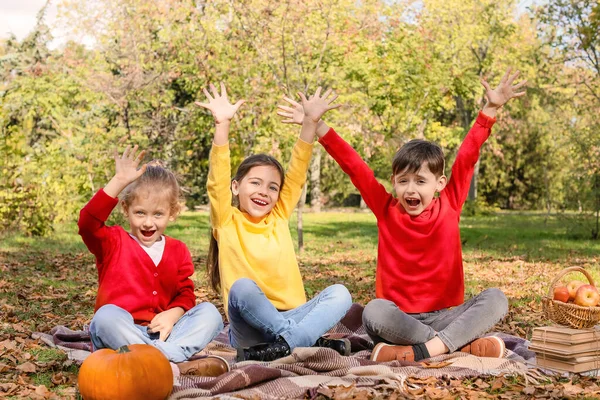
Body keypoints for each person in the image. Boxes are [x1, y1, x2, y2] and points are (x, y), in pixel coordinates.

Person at [277, 68, 526, 362]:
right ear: (394, 182)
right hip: (397, 322)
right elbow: (354, 166)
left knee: (496, 298)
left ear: (439, 184)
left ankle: (422, 351)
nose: (411, 188)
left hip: (444, 317)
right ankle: (454, 346)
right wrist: (318, 127)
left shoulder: (450, 204)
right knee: (373, 311)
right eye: (404, 180)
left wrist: (491, 108)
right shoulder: (386, 210)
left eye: (420, 181)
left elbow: (468, 155)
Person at [197, 83, 353, 362]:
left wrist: (310, 123)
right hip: (248, 328)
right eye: (255, 183)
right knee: (242, 287)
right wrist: (222, 125)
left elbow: (297, 171)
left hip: (291, 314)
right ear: (235, 188)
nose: (263, 192)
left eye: (272, 187)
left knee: (341, 294)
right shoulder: (226, 220)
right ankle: (303, 341)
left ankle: (283, 346)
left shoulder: (278, 216)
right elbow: (216, 179)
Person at [78, 145, 228, 377]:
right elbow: (87, 224)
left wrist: (174, 314)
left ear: (172, 212)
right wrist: (118, 181)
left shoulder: (178, 250)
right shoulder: (112, 241)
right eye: (140, 213)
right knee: (105, 317)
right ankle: (171, 363)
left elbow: (185, 293)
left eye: (157, 214)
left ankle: (159, 362)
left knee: (211, 313)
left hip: (166, 334)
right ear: (126, 209)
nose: (149, 223)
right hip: (122, 337)